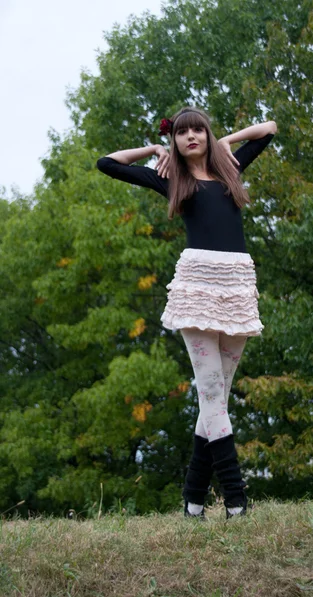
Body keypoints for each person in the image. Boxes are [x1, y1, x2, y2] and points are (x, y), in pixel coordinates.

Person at [97, 106, 277, 520]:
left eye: (198, 130)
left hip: (236, 288)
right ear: (175, 141)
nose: (191, 137)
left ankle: (193, 503)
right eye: (183, 133)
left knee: (218, 400)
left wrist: (227, 142)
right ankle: (236, 502)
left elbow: (268, 129)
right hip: (197, 288)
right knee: (212, 395)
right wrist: (151, 148)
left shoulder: (231, 169)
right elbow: (106, 163)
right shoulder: (170, 178)